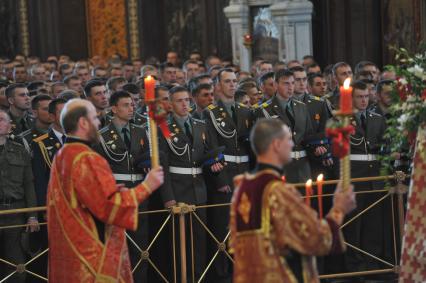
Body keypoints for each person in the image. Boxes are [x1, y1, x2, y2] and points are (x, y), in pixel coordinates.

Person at [46, 99, 164, 282]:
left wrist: (108, 190)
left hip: (69, 249)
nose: (99, 122)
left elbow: (80, 197)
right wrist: (148, 185)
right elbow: (109, 206)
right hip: (90, 254)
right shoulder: (88, 158)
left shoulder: (62, 154)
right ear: (83, 123)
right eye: (94, 118)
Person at [230, 118, 356, 283]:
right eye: (289, 139)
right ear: (276, 144)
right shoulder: (278, 191)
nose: (292, 144)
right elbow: (316, 238)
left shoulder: (242, 187)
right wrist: (339, 209)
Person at [0, 109, 39, 283]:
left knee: (15, 265)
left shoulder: (19, 149)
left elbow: (29, 184)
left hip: (14, 212)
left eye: (1, 120)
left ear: (10, 126)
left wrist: (32, 215)